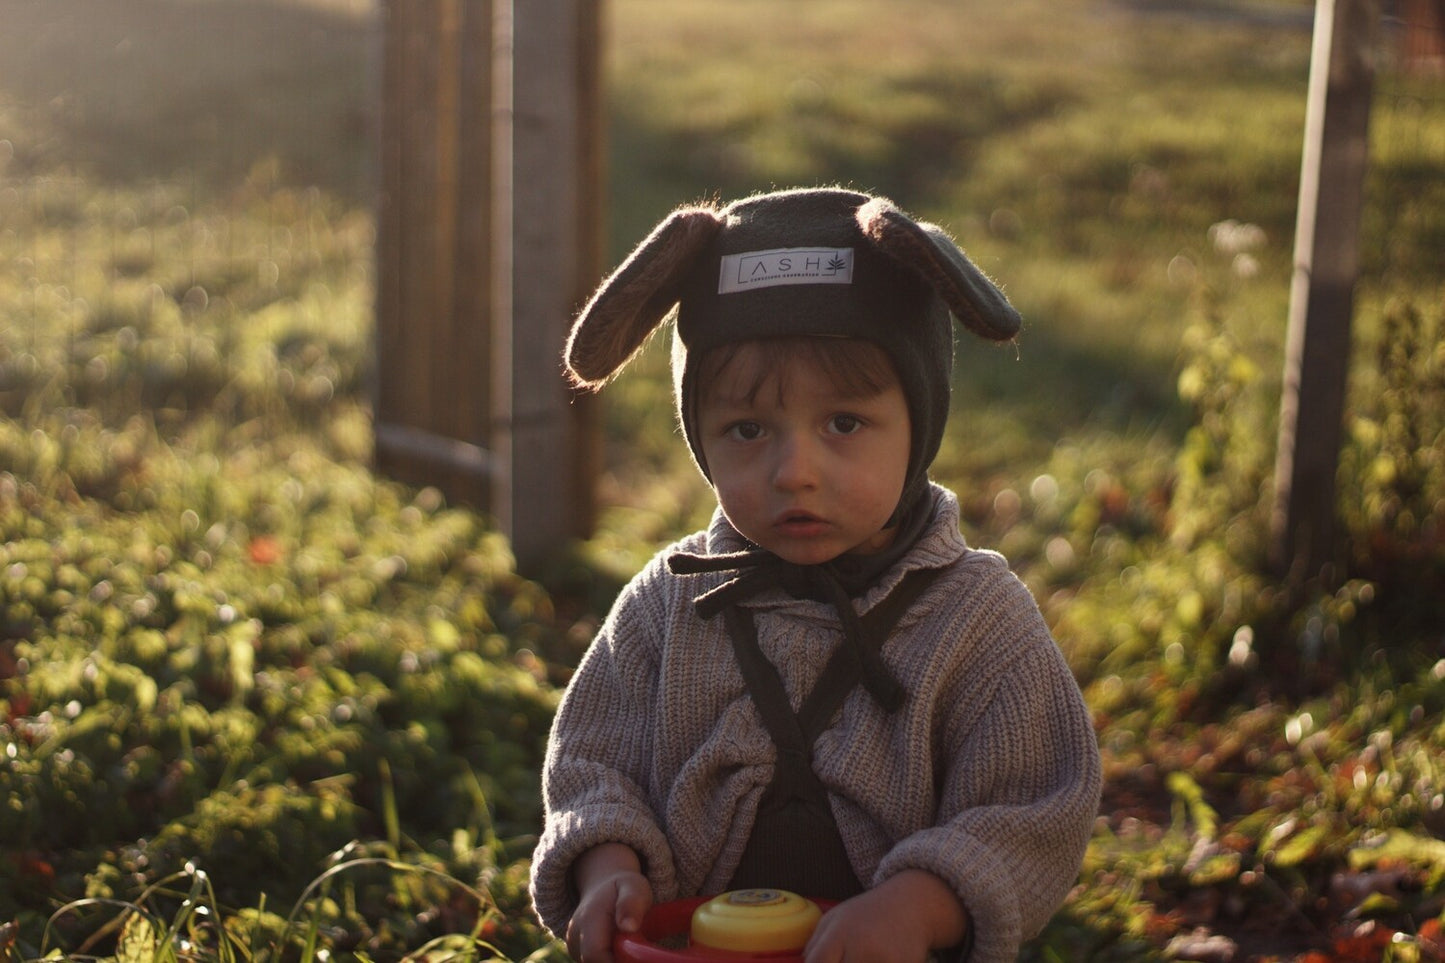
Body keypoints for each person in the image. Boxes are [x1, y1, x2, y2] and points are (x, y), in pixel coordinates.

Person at [529, 187, 1101, 963]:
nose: (794, 471)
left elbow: (1031, 805)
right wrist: (608, 867)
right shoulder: (667, 604)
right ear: (697, 432)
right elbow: (594, 763)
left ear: (920, 418)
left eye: (844, 423)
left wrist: (917, 906)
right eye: (747, 428)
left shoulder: (977, 622)